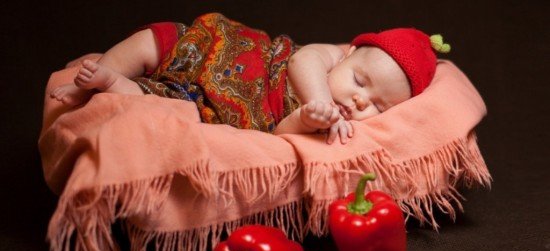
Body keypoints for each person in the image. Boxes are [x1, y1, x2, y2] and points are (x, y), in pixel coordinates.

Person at [50, 13, 449, 144]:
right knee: (157, 40)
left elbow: (282, 133)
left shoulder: (330, 124)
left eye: (378, 105)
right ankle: (102, 70)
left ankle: (115, 84)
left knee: (169, 108)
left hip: (222, 105)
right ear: (349, 54)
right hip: (227, 52)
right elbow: (302, 60)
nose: (361, 102)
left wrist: (310, 118)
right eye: (361, 82)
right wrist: (318, 97)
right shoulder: (332, 55)